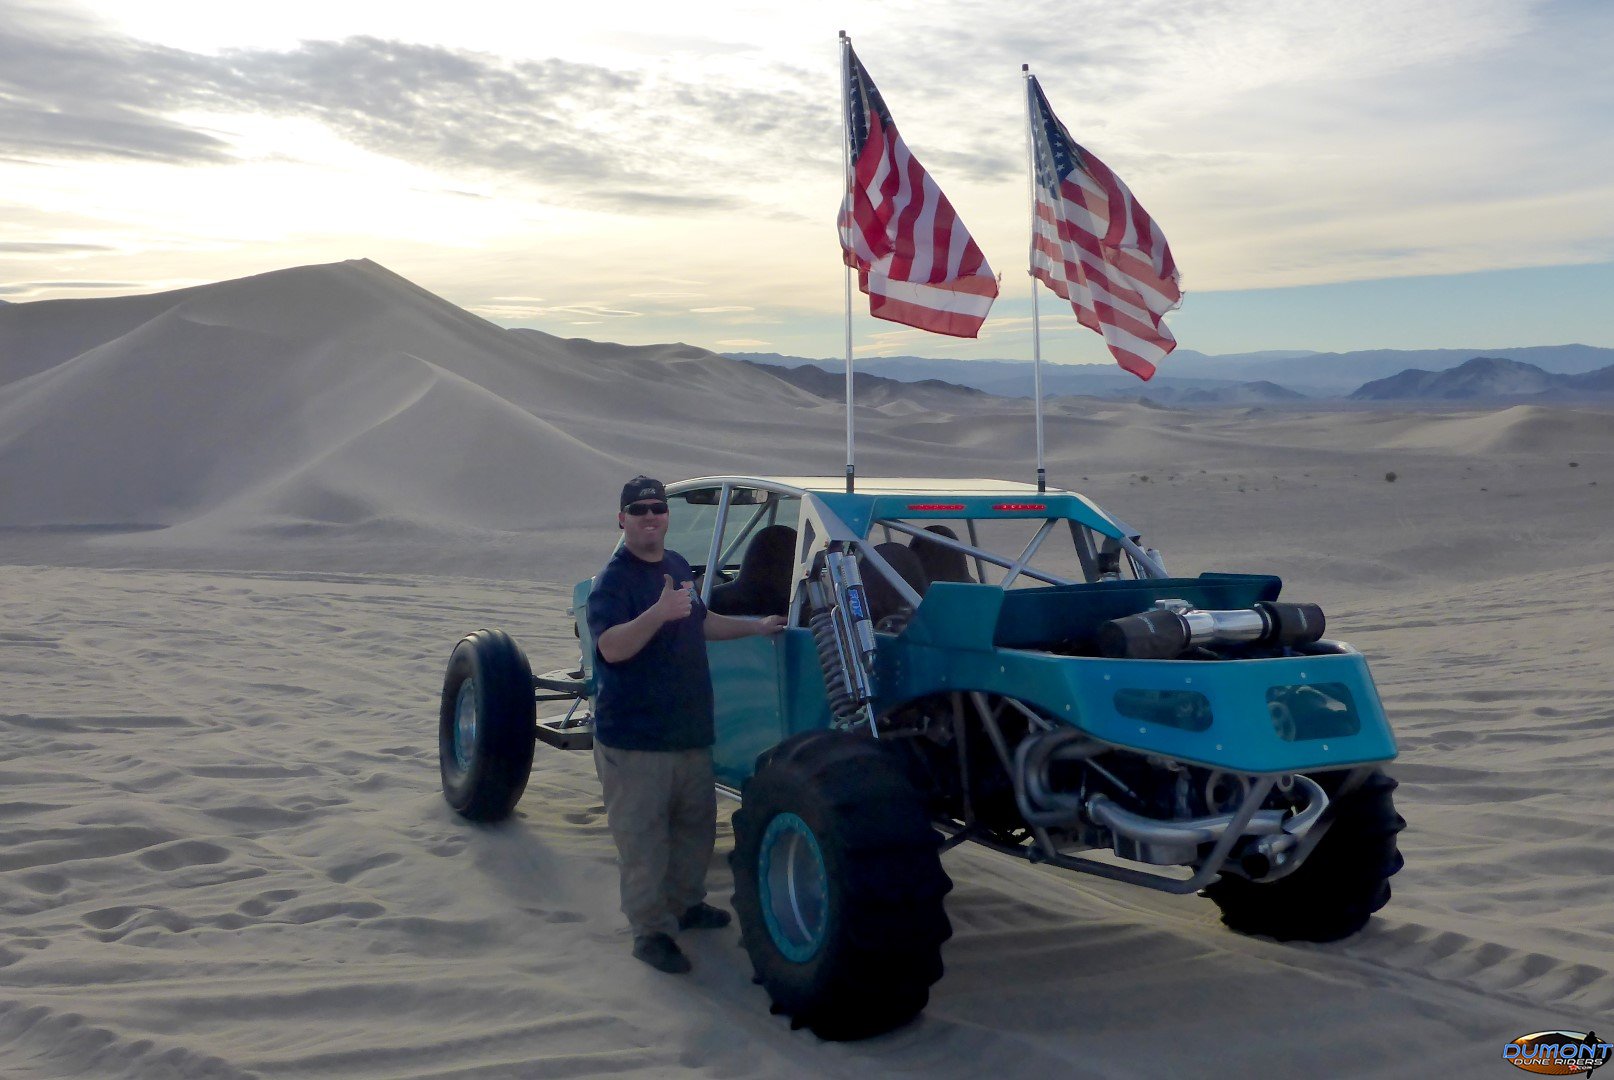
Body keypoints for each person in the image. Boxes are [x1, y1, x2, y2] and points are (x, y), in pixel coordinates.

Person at [587, 475, 787, 974]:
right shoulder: (611, 582)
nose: (650, 517)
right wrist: (657, 613)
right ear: (622, 519)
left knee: (695, 831)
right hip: (636, 741)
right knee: (643, 842)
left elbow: (703, 621)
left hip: (690, 733)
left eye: (657, 508)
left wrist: (757, 626)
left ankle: (686, 904)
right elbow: (611, 648)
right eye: (639, 510)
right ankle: (650, 933)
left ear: (667, 516)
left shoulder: (676, 566)